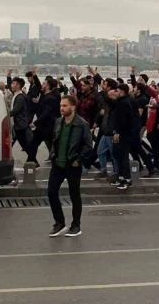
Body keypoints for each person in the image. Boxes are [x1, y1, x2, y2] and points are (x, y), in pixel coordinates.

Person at [47, 95, 93, 238]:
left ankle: (76, 226)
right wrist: (53, 155)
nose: (61, 108)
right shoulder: (58, 122)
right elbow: (54, 140)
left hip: (72, 164)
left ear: (73, 107)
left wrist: (78, 160)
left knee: (74, 195)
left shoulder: (82, 124)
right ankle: (59, 222)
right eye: (61, 105)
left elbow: (88, 145)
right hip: (58, 164)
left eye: (65, 106)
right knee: (51, 192)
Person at [110, 84, 136, 190]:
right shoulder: (121, 102)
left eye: (117, 91)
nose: (116, 93)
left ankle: (127, 179)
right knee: (118, 155)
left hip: (124, 134)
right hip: (122, 133)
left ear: (122, 92)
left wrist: (118, 133)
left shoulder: (124, 103)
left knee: (123, 156)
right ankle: (121, 177)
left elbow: (124, 121)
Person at [10, 77, 32, 154]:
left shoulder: (20, 97)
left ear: (18, 85)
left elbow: (16, 110)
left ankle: (32, 160)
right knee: (13, 143)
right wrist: (8, 76)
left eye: (13, 83)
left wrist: (5, 115)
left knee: (25, 144)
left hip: (20, 125)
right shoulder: (16, 95)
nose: (11, 85)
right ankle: (32, 160)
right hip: (16, 124)